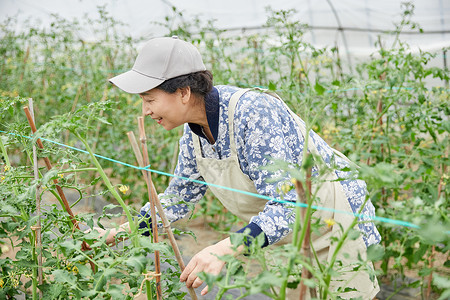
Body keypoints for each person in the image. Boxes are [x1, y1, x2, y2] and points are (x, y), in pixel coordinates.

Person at [104, 36, 381, 299]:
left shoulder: (253, 113)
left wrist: (223, 249)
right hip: (286, 230)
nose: (146, 111)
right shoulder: (193, 135)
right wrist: (127, 229)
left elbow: (287, 204)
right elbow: (178, 200)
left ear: (183, 92)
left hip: (332, 215)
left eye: (150, 100)